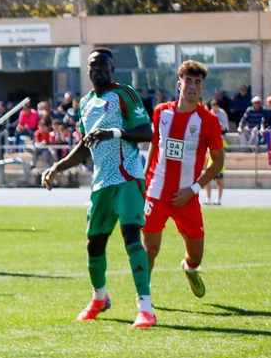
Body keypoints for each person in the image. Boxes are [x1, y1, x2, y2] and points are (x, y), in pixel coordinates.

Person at [41, 47, 156, 328]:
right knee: (94, 244)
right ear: (87, 71)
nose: (98, 70)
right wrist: (57, 168)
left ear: (112, 69)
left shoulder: (124, 93)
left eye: (104, 65)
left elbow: (147, 132)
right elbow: (84, 146)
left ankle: (146, 308)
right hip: (101, 183)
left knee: (131, 236)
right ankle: (99, 298)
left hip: (128, 176)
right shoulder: (85, 103)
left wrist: (113, 133)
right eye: (93, 66)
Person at [141, 59, 223, 298]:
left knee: (196, 255)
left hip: (187, 196)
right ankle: (144, 299)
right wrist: (144, 177)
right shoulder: (161, 112)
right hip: (156, 191)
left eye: (198, 82)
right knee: (149, 249)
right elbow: (155, 146)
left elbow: (217, 161)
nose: (192, 86)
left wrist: (193, 189)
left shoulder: (208, 121)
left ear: (202, 88)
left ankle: (189, 269)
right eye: (188, 80)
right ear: (179, 84)